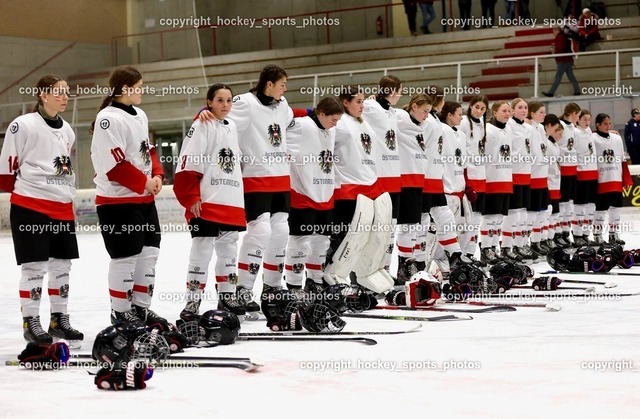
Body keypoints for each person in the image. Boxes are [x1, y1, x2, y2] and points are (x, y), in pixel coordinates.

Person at [199, 65, 294, 317]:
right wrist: (203, 112)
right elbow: (223, 117)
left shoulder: (283, 104)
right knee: (260, 231)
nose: (285, 88)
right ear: (269, 84)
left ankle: (273, 287)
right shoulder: (246, 103)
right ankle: (243, 288)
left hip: (282, 179)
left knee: (281, 232)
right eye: (282, 83)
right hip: (255, 179)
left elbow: (293, 119)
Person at [0, 75, 84, 345]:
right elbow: (6, 169)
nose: (65, 96)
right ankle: (31, 321)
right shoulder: (22, 125)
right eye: (58, 92)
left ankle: (59, 319)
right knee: (34, 267)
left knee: (62, 266)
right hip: (30, 206)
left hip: (61, 207)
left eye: (66, 92)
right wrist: (29, 191)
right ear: (43, 95)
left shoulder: (68, 130)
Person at [90, 66, 169, 329]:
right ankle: (121, 312)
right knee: (125, 257)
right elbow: (114, 165)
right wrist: (145, 182)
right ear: (125, 88)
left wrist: (157, 175)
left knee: (150, 253)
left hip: (144, 201)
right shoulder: (108, 118)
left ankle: (140, 308)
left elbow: (148, 151)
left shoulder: (140, 115)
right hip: (118, 203)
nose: (142, 91)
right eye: (139, 86)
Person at [173, 84, 247, 320]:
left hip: (231, 200)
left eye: (229, 101)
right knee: (201, 252)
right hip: (207, 202)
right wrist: (191, 196)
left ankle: (227, 296)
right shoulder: (201, 123)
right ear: (209, 102)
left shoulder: (232, 126)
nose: (225, 105)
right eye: (220, 101)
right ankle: (193, 301)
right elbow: (188, 162)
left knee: (229, 251)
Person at [283, 97, 343, 294]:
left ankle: (315, 281)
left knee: (322, 241)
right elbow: (278, 117)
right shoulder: (301, 125)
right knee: (300, 242)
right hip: (302, 193)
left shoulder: (331, 130)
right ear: (321, 114)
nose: (336, 124)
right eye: (333, 119)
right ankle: (293, 284)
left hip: (325, 194)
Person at [363, 75, 402, 279]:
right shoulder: (370, 107)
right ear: (392, 90)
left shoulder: (393, 112)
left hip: (395, 176)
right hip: (379, 177)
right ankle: (368, 269)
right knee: (377, 228)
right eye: (399, 90)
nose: (401, 94)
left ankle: (385, 268)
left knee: (391, 228)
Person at [395, 93, 432, 281]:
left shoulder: (420, 126)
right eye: (425, 111)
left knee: (416, 225)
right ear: (414, 106)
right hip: (405, 181)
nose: (427, 115)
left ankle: (414, 261)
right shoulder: (400, 118)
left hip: (419, 181)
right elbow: (381, 114)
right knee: (408, 226)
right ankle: (404, 264)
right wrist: (372, 101)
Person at [479, 101, 513, 265]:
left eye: (509, 111)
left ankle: (494, 247)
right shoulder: (488, 130)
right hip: (492, 179)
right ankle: (485, 249)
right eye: (504, 111)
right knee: (490, 217)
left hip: (506, 179)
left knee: (499, 218)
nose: (507, 114)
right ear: (495, 112)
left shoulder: (508, 129)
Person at [457, 95, 489, 262]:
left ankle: (470, 252)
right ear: (470, 106)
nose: (479, 111)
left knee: (477, 219)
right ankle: (460, 253)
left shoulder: (483, 125)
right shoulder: (463, 122)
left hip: (481, 176)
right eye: (477, 107)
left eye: (482, 109)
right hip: (468, 175)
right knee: (466, 218)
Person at [504, 98, 534, 261]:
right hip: (512, 174)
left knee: (523, 213)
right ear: (513, 110)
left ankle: (520, 244)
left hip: (526, 173)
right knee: (513, 214)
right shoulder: (508, 126)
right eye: (520, 107)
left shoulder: (528, 128)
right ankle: (506, 246)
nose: (523, 110)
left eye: (525, 107)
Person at [592, 113, 629, 245]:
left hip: (615, 178)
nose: (608, 126)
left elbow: (622, 159)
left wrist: (626, 178)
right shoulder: (592, 138)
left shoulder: (616, 138)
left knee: (616, 208)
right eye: (605, 124)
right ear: (598, 124)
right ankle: (597, 235)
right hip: (601, 179)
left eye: (609, 123)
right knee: (600, 209)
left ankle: (614, 234)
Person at [527, 101, 552, 256]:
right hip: (533, 175)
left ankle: (537, 241)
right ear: (533, 113)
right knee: (533, 212)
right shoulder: (528, 129)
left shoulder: (541, 128)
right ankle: (527, 242)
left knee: (544, 210)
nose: (544, 115)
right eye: (541, 112)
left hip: (543, 175)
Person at [572, 109, 598, 246]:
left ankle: (586, 235)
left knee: (591, 207)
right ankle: (577, 235)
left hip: (593, 173)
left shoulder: (589, 132)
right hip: (581, 174)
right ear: (578, 120)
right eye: (584, 119)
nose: (587, 122)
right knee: (580, 207)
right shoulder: (575, 133)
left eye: (589, 119)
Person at [544, 114, 564, 251]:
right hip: (548, 182)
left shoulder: (555, 145)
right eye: (559, 133)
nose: (561, 137)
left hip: (556, 182)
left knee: (555, 212)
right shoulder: (547, 143)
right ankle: (545, 239)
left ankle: (551, 238)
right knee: (548, 212)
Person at [542, 26, 580, 97]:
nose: (553, 33)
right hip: (568, 59)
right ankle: (577, 91)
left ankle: (551, 92)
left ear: (557, 31)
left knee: (558, 77)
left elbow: (560, 49)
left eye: (553, 31)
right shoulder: (564, 36)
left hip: (563, 60)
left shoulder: (559, 37)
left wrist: (552, 54)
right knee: (571, 77)